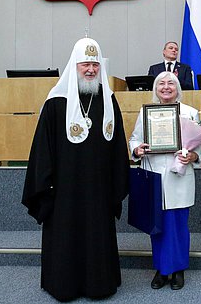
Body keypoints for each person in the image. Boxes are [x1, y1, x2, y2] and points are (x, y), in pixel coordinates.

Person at [22, 38, 129, 301]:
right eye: (85, 64)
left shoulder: (108, 100)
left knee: (97, 235)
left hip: (99, 190)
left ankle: (99, 285)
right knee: (65, 235)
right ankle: (63, 285)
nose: (90, 69)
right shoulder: (56, 103)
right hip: (64, 192)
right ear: (75, 65)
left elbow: (117, 147)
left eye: (95, 64)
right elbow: (43, 150)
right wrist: (45, 186)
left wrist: (117, 184)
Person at [129, 72, 201, 291]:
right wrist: (136, 148)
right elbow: (134, 138)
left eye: (171, 83)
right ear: (155, 88)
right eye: (161, 83)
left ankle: (178, 269)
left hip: (178, 177)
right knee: (157, 227)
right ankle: (161, 269)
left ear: (178, 88)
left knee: (178, 225)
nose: (166, 87)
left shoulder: (190, 112)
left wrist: (192, 156)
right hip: (153, 176)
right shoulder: (146, 112)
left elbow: (199, 147)